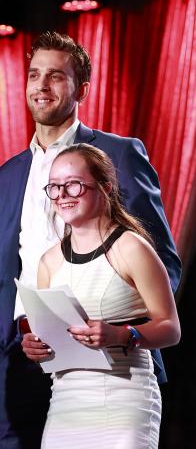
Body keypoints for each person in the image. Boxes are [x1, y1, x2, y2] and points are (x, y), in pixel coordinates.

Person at [0, 30, 182, 449]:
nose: (41, 86)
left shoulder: (120, 154)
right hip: (25, 349)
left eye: (56, 76)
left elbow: (161, 258)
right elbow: (6, 273)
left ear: (82, 89)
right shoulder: (5, 176)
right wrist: (9, 340)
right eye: (34, 74)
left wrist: (122, 329)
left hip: (108, 358)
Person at [21, 143, 180, 448]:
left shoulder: (131, 247)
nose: (62, 196)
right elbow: (52, 334)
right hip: (67, 400)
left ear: (105, 188)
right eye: (54, 187)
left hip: (125, 396)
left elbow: (171, 328)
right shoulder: (48, 262)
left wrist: (120, 334)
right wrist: (36, 345)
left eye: (73, 185)